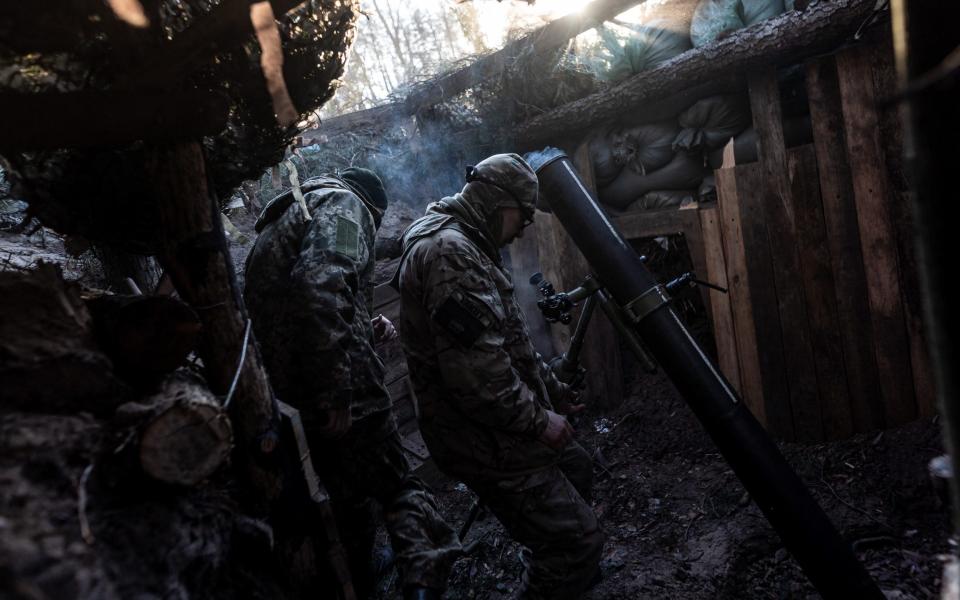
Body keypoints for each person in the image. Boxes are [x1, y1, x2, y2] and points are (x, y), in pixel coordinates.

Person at [243, 167, 461, 600]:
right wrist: (335, 388)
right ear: (374, 208)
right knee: (398, 487)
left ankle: (360, 581)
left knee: (344, 498)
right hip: (338, 393)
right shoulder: (348, 207)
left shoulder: (293, 216)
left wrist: (361, 320)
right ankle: (426, 578)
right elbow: (319, 286)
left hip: (287, 395)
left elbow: (293, 302)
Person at [394, 154, 604, 599]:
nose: (526, 225)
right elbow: (478, 380)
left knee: (578, 466)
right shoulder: (451, 255)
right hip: (479, 435)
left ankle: (551, 558)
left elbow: (505, 345)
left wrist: (553, 392)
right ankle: (556, 568)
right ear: (496, 202)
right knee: (578, 544)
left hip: (491, 421)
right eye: (523, 214)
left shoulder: (465, 240)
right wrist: (538, 420)